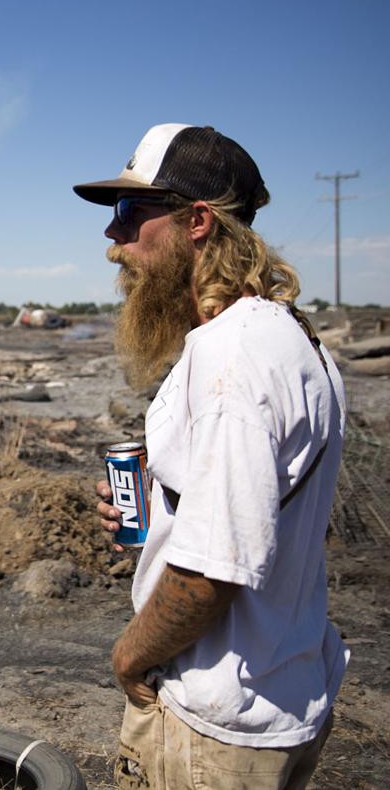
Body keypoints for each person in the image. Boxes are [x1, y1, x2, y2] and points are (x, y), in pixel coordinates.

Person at [73, 124, 347, 790]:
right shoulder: (291, 338)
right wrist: (165, 487)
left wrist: (130, 658)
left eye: (131, 213)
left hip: (213, 725)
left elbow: (208, 576)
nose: (114, 238)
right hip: (285, 691)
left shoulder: (231, 357)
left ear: (197, 221)